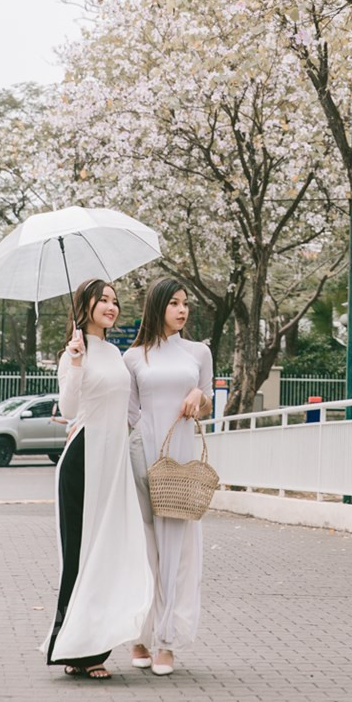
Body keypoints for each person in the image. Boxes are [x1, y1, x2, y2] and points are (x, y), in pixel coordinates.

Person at [44, 279, 153, 680]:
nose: (111, 306)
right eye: (103, 300)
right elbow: (70, 407)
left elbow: (127, 409)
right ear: (85, 305)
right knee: (80, 553)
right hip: (83, 459)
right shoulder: (76, 352)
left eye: (115, 301)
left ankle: (95, 647)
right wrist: (74, 360)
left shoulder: (115, 353)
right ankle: (74, 649)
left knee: (109, 551)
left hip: (114, 460)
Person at [124, 277, 213, 677]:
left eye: (186, 303)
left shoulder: (198, 352)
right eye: (174, 303)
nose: (182, 310)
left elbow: (208, 404)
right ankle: (140, 634)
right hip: (143, 455)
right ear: (157, 306)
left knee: (177, 548)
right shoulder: (133, 357)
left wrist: (199, 397)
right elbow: (127, 412)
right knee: (144, 547)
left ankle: (167, 641)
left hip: (179, 458)